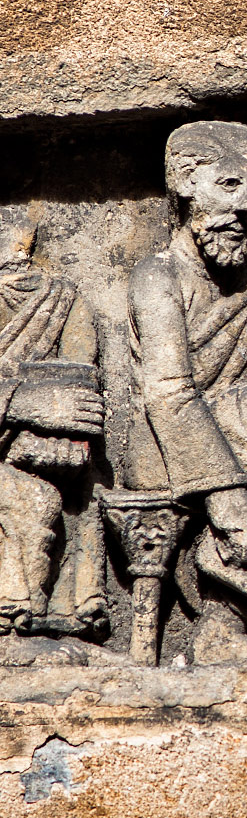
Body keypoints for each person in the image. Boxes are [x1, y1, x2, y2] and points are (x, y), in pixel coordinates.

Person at [123, 121, 247, 663]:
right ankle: (224, 559)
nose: (245, 206)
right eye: (230, 186)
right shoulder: (157, 277)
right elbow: (168, 396)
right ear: (186, 184)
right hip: (167, 449)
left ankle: (224, 626)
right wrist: (232, 506)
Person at [0, 210, 104, 638]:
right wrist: (24, 403)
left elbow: (80, 376)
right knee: (32, 501)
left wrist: (73, 410)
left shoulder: (61, 298)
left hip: (33, 453)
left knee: (94, 485)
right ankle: (14, 618)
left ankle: (65, 611)